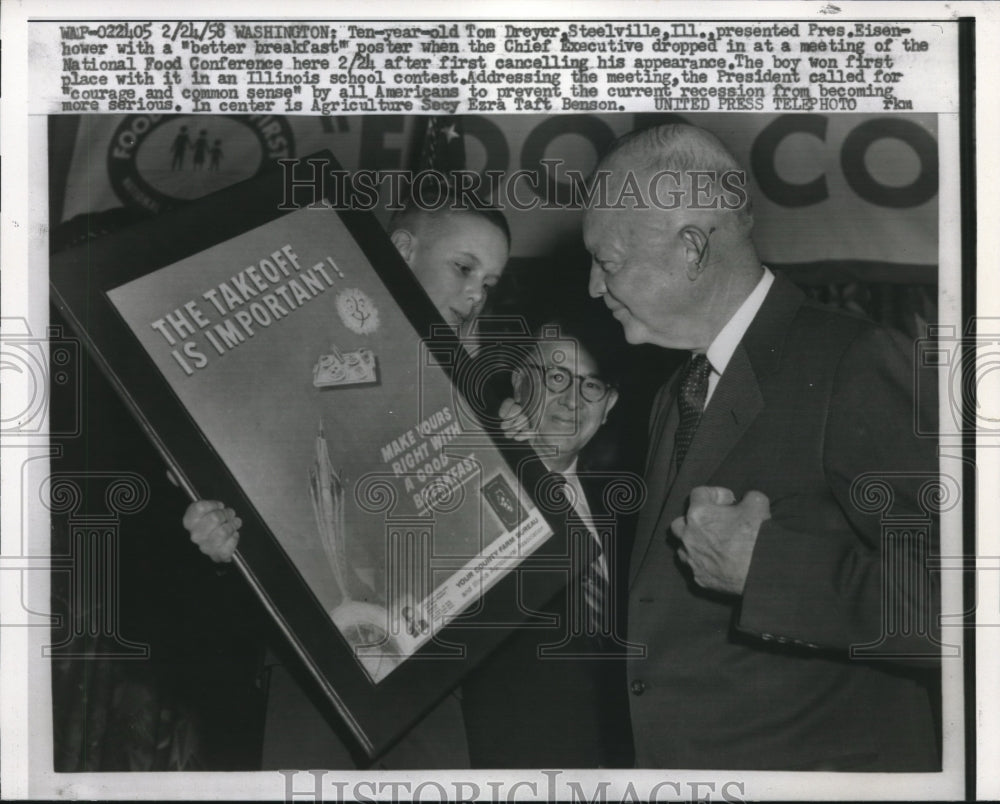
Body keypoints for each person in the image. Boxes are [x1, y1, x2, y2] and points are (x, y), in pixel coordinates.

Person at [579, 123, 940, 770]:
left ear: (691, 248)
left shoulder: (854, 362)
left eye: (607, 263)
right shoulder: (677, 390)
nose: (592, 288)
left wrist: (768, 569)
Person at [184, 198, 510, 769]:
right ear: (403, 249)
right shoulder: (300, 350)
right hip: (318, 669)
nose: (477, 293)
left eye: (490, 281)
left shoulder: (476, 385)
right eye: (464, 268)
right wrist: (217, 536)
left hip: (438, 675)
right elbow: (252, 486)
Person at [462, 312, 637, 768]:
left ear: (609, 405)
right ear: (519, 383)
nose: (572, 400)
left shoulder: (629, 509)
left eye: (591, 386)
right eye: (556, 376)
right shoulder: (477, 483)